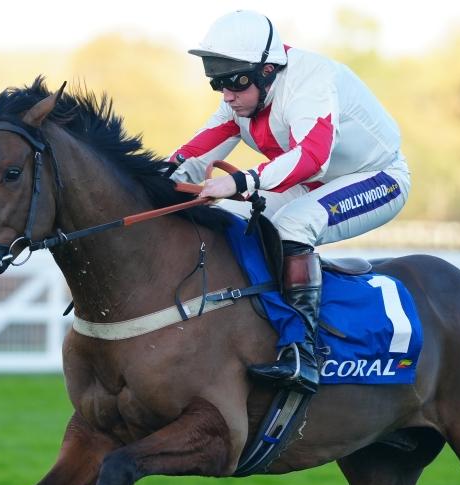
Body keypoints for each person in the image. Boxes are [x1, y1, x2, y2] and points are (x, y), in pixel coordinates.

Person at [169, 9, 411, 395]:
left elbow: (313, 156)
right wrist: (149, 183)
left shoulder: (311, 81)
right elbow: (193, 154)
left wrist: (241, 180)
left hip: (378, 178)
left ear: (268, 70)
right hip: (309, 181)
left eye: (235, 82)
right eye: (218, 83)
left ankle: (303, 352)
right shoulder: (241, 99)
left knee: (292, 225)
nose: (227, 95)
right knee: (224, 217)